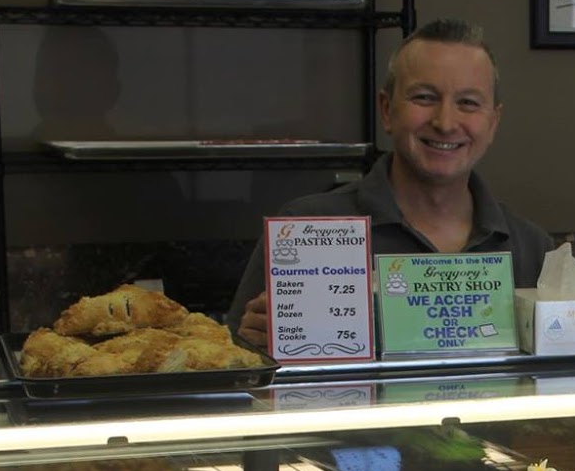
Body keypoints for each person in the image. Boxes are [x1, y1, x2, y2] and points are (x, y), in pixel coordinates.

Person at [227, 19, 555, 348]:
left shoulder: (533, 248)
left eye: (468, 103)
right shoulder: (302, 228)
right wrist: (251, 348)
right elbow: (236, 368)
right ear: (387, 111)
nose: (445, 123)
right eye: (424, 97)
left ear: (493, 122)